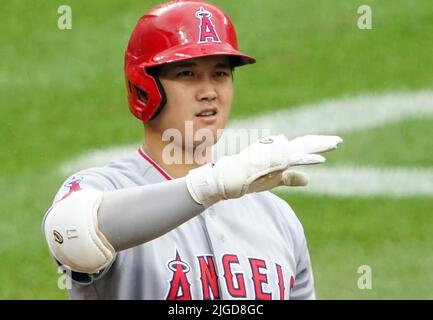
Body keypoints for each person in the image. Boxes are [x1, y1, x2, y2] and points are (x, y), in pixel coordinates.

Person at [42, 0, 342, 300]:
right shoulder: (102, 189)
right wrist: (210, 185)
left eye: (220, 74)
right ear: (144, 87)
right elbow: (71, 233)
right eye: (187, 73)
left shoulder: (279, 219)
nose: (209, 91)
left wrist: (218, 184)